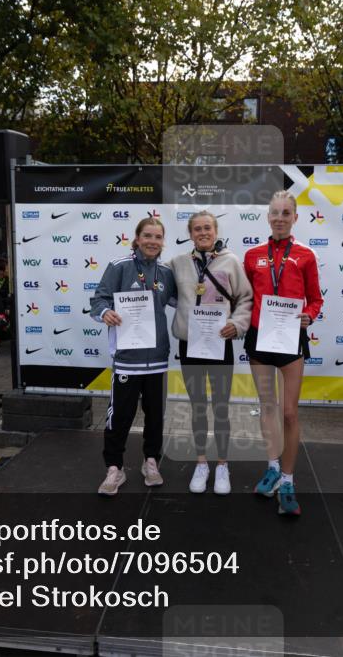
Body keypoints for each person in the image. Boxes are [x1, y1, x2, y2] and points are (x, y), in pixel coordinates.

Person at [243, 190, 323, 517]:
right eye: (275, 212)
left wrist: (310, 316)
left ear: (295, 217)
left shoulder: (305, 255)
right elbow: (246, 298)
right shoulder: (252, 255)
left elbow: (316, 299)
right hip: (260, 340)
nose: (279, 218)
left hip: (291, 340)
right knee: (267, 407)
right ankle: (273, 467)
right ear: (268, 217)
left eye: (286, 213)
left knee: (289, 412)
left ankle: (288, 481)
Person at [90, 217, 177, 496]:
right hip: (128, 357)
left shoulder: (165, 271)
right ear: (137, 238)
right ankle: (114, 468)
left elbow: (184, 302)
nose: (153, 241)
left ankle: (151, 461)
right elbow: (98, 300)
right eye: (148, 235)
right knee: (120, 416)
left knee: (155, 416)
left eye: (158, 236)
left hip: (157, 358)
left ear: (163, 241)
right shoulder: (119, 266)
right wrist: (106, 312)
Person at [169, 211, 252, 494]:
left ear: (215, 231)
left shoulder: (231, 261)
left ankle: (222, 464)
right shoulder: (178, 263)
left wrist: (237, 324)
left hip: (220, 343)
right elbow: (162, 291)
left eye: (207, 228)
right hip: (190, 344)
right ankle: (201, 462)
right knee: (197, 405)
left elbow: (245, 298)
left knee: (220, 406)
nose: (203, 233)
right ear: (190, 234)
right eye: (197, 229)